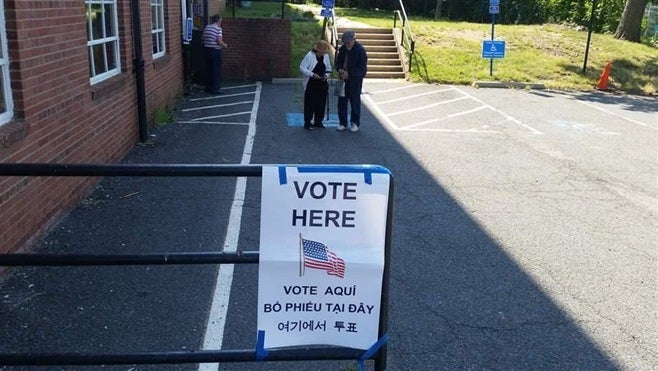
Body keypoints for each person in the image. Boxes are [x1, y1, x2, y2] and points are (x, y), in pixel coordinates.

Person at [335, 30, 367, 132]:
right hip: (343, 79)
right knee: (342, 102)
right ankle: (342, 123)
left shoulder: (360, 50)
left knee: (355, 102)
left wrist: (349, 73)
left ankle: (355, 123)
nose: (347, 44)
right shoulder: (343, 49)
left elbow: (362, 69)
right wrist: (340, 70)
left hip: (355, 81)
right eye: (345, 42)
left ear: (354, 40)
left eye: (348, 42)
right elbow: (338, 62)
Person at [299, 40, 332, 130]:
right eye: (320, 52)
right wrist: (312, 74)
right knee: (310, 104)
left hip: (322, 83)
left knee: (321, 104)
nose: (321, 54)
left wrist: (326, 75)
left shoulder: (326, 56)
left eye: (323, 52)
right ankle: (308, 122)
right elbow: (302, 67)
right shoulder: (309, 56)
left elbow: (329, 68)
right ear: (316, 50)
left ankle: (318, 121)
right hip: (311, 84)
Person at [202, 15, 228, 94]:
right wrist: (225, 45)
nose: (221, 23)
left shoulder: (207, 27)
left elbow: (203, 38)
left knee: (209, 69)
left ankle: (208, 87)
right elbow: (219, 41)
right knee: (216, 70)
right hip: (215, 51)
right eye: (221, 21)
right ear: (218, 21)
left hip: (207, 50)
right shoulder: (218, 29)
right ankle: (215, 88)